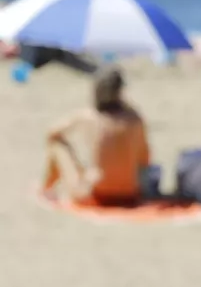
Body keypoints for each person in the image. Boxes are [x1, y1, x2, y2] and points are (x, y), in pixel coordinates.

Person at [42, 66, 151, 206]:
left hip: (96, 194)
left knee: (57, 145)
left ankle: (46, 189)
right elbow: (145, 159)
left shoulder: (89, 116)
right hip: (130, 193)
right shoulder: (135, 119)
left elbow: (51, 133)